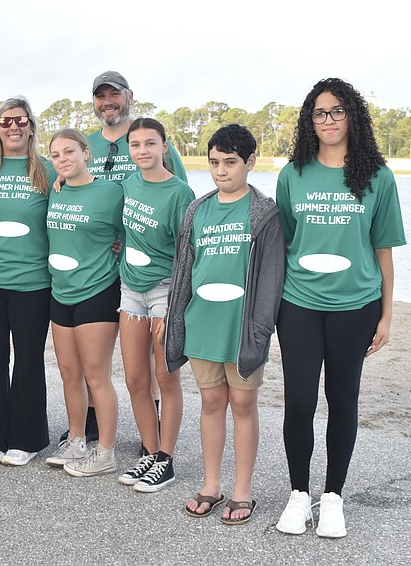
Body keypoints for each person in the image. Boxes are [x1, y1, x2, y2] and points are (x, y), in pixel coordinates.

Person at [273, 78, 406, 538]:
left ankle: (333, 497)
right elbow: (287, 239)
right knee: (299, 401)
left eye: (336, 111)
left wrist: (387, 315)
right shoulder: (294, 173)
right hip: (300, 304)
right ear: (309, 121)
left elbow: (384, 249)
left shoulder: (378, 176)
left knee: (342, 398)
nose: (327, 121)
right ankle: (298, 495)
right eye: (319, 113)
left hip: (357, 305)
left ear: (353, 116)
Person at [54, 71, 189, 446]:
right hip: (102, 265)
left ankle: (157, 432)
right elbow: (67, 179)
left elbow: (176, 200)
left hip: (150, 268)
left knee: (150, 355)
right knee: (97, 356)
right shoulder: (87, 144)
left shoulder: (151, 141)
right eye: (101, 96)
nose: (108, 102)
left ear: (130, 96)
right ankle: (92, 422)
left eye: (115, 95)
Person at [165, 124, 284, 523]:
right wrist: (175, 316)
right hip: (203, 324)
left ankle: (242, 491)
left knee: (243, 403)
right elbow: (185, 269)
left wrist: (261, 330)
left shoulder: (264, 214)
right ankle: (212, 484)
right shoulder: (197, 209)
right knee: (212, 402)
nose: (221, 171)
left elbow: (270, 280)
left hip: (242, 328)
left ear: (250, 162)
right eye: (214, 163)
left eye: (230, 162)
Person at [0, 96, 55, 466]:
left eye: (20, 121)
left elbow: (74, 214)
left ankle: (28, 438)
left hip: (33, 283)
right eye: (5, 122)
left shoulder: (48, 171)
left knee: (29, 361)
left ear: (31, 126)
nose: (13, 127)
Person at [116, 118, 195, 493]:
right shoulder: (128, 184)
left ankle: (166, 459)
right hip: (130, 291)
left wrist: (176, 306)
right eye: (135, 145)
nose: (143, 151)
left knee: (166, 377)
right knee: (135, 379)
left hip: (165, 291)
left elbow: (187, 253)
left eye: (150, 143)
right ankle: (149, 451)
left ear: (165, 147)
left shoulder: (180, 192)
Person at [43, 129, 123, 477]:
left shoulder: (110, 192)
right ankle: (76, 440)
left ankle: (105, 452)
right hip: (61, 292)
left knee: (96, 375)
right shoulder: (54, 192)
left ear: (86, 153)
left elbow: (133, 233)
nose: (63, 159)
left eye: (69, 152)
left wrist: (118, 256)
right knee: (68, 372)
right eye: (56, 155)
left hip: (97, 291)